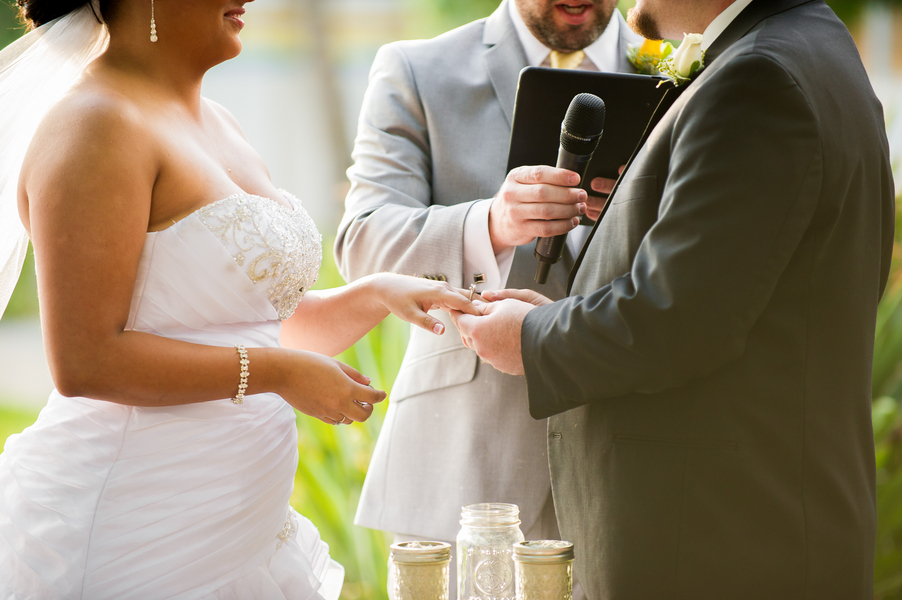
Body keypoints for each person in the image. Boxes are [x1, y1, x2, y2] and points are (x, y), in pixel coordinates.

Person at [0, 1, 478, 598]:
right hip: (134, 527)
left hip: (234, 532)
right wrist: (277, 373)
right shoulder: (94, 124)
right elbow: (84, 360)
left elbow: (251, 324)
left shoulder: (218, 121)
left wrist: (377, 293)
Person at [452, 0, 895, 597]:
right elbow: (726, 281)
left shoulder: (759, 78)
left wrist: (529, 339)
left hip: (721, 545)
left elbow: (676, 318)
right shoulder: (806, 47)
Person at [335, 0, 639, 592]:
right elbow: (363, 243)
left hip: (635, 453)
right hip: (470, 463)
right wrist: (492, 223)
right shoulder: (417, 69)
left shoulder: (691, 71)